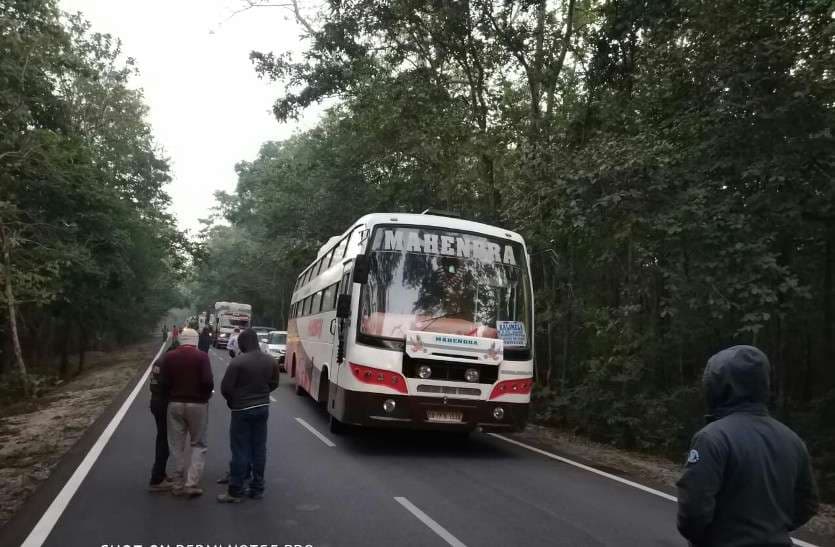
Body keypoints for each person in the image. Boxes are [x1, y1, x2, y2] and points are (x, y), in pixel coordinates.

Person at [677, 345, 818, 546]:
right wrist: (770, 531)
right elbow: (808, 503)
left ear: (717, 385)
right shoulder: (793, 440)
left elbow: (693, 511)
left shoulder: (713, 437)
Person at [217, 328, 279, 503]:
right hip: (262, 408)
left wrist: (233, 402)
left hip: (242, 409)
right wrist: (262, 394)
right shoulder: (270, 361)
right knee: (259, 448)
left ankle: (236, 490)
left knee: (240, 449)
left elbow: (226, 388)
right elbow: (274, 383)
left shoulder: (238, 362)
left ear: (243, 343)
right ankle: (257, 488)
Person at [158, 328, 214, 497]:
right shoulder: (202, 357)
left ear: (181, 340)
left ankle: (176, 483)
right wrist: (204, 396)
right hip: (197, 405)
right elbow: (208, 381)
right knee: (198, 444)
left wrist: (172, 395)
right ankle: (191, 483)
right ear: (195, 341)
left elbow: (163, 382)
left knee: (177, 445)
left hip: (174, 404)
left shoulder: (169, 356)